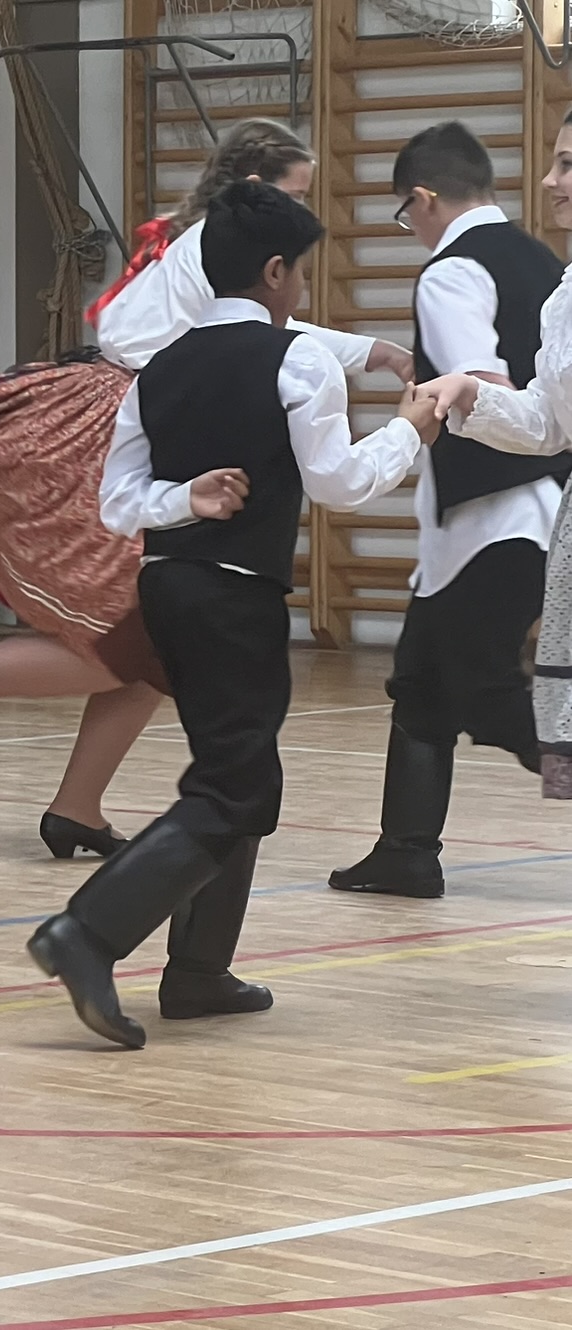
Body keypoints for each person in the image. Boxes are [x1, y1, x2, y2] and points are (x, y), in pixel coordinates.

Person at [0, 120, 414, 860]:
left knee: (151, 641)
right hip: (117, 426)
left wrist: (369, 351)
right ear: (253, 190)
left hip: (141, 422)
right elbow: (220, 337)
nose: (299, 210)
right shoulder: (209, 250)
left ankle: (75, 804)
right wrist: (368, 358)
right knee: (125, 635)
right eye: (294, 193)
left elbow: (254, 327)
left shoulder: (212, 257)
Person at [28, 181, 438, 1049]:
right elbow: (339, 483)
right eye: (303, 274)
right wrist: (411, 429)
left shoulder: (158, 371)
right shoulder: (298, 361)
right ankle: (88, 933)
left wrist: (187, 498)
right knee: (237, 785)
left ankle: (199, 971)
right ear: (277, 271)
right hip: (235, 596)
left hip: (166, 588)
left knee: (234, 772)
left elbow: (118, 506)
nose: (302, 290)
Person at [327, 123, 563, 898]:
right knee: (422, 683)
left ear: (423, 199)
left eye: (405, 214)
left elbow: (483, 386)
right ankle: (405, 851)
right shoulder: (544, 261)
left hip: (495, 514)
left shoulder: (451, 270)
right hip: (516, 512)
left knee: (486, 691)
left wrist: (427, 409)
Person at [421, 109, 572, 805]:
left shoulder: (454, 271)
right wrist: (471, 397)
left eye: (568, 165)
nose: (549, 181)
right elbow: (550, 423)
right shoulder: (564, 294)